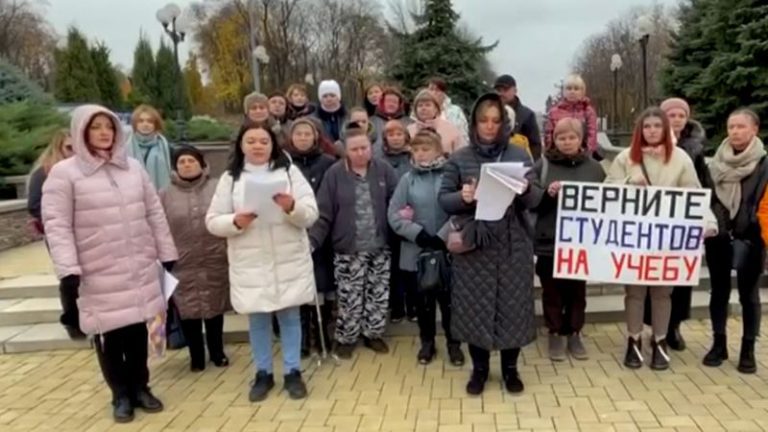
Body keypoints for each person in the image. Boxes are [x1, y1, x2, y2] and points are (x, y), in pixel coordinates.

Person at [42, 105, 178, 423]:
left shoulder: (131, 168)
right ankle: (120, 394)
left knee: (137, 331)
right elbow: (57, 225)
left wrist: (166, 250)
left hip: (138, 263)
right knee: (109, 335)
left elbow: (153, 212)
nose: (104, 133)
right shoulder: (65, 174)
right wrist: (68, 270)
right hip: (97, 268)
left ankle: (141, 386)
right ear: (81, 132)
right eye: (96, 127)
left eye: (109, 127)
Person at [438, 93, 542, 395]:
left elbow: (535, 199)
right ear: (474, 122)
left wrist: (524, 189)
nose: (489, 126)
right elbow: (443, 199)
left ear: (504, 124)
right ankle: (479, 370)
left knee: (514, 307)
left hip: (513, 243)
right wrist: (462, 198)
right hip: (476, 244)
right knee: (474, 307)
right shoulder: (460, 158)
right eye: (483, 120)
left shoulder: (519, 155)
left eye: (496, 121)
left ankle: (510, 369)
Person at [206, 122, 318, 402]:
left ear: (273, 145)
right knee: (258, 319)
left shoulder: (290, 173)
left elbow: (311, 214)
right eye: (251, 141)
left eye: (263, 141)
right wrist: (235, 221)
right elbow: (212, 221)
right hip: (250, 260)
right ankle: (263, 373)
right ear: (241, 145)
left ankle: (293, 372)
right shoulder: (230, 179)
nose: (257, 146)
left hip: (287, 257)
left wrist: (292, 207)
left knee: (290, 317)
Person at [605, 107, 716, 371]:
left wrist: (708, 222)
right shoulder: (625, 157)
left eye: (657, 126)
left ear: (665, 129)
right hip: (634, 236)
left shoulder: (680, 158)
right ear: (640, 130)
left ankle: (660, 340)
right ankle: (633, 339)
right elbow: (607, 189)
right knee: (634, 291)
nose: (652, 130)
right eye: (647, 126)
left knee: (662, 292)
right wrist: (631, 181)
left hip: (667, 237)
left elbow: (694, 194)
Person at [309, 123, 398, 359]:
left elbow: (396, 201)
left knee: (378, 294)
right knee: (349, 297)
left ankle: (373, 334)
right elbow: (324, 212)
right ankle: (347, 338)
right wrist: (312, 241)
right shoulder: (335, 174)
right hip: (348, 248)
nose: (361, 153)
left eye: (364, 148)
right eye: (355, 149)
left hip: (380, 246)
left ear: (371, 147)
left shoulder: (384, 170)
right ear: (346, 150)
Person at [388, 128, 465, 366]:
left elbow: (461, 208)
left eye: (426, 149)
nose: (421, 154)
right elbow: (393, 214)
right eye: (417, 149)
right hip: (416, 251)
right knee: (423, 302)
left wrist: (443, 235)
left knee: (449, 301)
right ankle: (427, 343)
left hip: (447, 248)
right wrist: (417, 234)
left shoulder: (450, 176)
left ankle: (454, 344)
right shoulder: (407, 179)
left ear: (438, 150)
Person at [532, 118, 605, 362]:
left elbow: (607, 202)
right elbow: (529, 197)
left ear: (581, 139)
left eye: (572, 137)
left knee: (576, 290)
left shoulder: (595, 168)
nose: (566, 142)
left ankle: (574, 331)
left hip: (581, 241)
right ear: (554, 139)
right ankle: (555, 331)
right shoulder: (542, 165)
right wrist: (547, 195)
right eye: (561, 137)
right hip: (549, 239)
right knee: (551, 290)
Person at [643, 97, 711, 351]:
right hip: (652, 222)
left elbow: (702, 185)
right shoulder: (648, 144)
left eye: (681, 115)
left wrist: (706, 216)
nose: (677, 120)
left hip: (681, 224)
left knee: (679, 277)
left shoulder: (694, 149)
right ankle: (655, 327)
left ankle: (674, 328)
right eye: (671, 115)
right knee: (653, 276)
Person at [706, 108, 768, 374]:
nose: (735, 132)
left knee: (749, 295)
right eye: (731, 127)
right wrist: (719, 226)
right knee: (718, 291)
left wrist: (754, 229)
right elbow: (709, 199)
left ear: (754, 130)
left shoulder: (764, 164)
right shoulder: (715, 164)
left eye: (741, 127)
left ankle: (748, 348)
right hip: (719, 236)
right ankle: (719, 343)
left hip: (752, 238)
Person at [160, 145, 230, 372]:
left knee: (214, 307)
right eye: (182, 162)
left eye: (191, 161)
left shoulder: (218, 187)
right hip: (182, 260)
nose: (187, 165)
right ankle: (196, 355)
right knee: (188, 309)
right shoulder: (165, 194)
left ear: (201, 164)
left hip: (214, 256)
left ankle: (217, 351)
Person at [283, 118, 337, 357]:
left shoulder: (328, 162)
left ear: (315, 137)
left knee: (321, 284)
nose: (303, 138)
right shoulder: (282, 164)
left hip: (321, 231)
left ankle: (324, 333)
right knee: (298, 286)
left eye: (307, 134)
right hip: (291, 229)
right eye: (298, 134)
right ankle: (304, 336)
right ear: (291, 137)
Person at [26, 129, 82, 340]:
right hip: (58, 233)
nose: (73, 152)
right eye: (68, 147)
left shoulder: (82, 170)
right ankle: (72, 320)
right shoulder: (44, 172)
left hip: (84, 231)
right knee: (70, 278)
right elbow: (34, 206)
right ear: (58, 147)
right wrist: (59, 217)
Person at [381, 120, 415, 323]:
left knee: (410, 265)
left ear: (405, 136)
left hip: (412, 219)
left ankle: (413, 306)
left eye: (399, 134)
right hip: (390, 218)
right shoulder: (379, 160)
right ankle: (397, 307)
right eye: (390, 134)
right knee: (393, 267)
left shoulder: (413, 158)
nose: (395, 138)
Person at [544, 74, 598, 154]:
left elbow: (592, 133)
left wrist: (588, 152)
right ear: (564, 91)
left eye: (576, 89)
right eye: (569, 88)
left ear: (582, 91)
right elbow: (549, 134)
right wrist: (552, 151)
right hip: (558, 154)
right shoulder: (554, 112)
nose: (572, 92)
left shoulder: (588, 111)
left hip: (582, 154)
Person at [494, 74, 542, 160]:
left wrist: (532, 167)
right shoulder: (489, 112)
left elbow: (535, 145)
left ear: (515, 90)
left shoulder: (527, 115)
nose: (501, 93)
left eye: (505, 90)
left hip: (519, 163)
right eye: (498, 90)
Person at [126, 104, 173, 191]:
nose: (145, 124)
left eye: (150, 121)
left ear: (156, 124)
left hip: (160, 196)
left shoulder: (165, 145)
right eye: (141, 121)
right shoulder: (125, 147)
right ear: (135, 124)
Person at [408, 89, 466, 155]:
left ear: (436, 109)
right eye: (420, 105)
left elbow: (461, 154)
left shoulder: (450, 129)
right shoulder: (408, 131)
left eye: (428, 105)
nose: (423, 108)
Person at [427, 77, 469, 144]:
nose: (434, 93)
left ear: (444, 93)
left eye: (437, 90)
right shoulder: (422, 109)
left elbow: (463, 135)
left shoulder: (455, 111)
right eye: (431, 89)